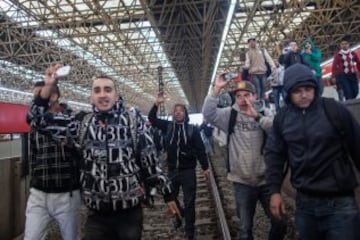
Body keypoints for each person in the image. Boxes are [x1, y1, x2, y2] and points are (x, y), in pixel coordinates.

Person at [30, 65, 180, 240]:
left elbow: (150, 162)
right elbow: (37, 121)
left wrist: (168, 194)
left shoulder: (133, 122)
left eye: (108, 90)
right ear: (91, 97)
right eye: (97, 90)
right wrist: (48, 87)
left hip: (129, 214)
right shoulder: (81, 124)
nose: (103, 94)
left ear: (116, 96)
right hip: (97, 215)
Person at [265, 63, 360, 240]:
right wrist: (275, 191)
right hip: (305, 205)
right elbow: (274, 155)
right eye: (297, 90)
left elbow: (357, 145)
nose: (304, 95)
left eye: (308, 88)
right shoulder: (283, 118)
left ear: (315, 88)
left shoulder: (333, 110)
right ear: (288, 93)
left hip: (340, 204)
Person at [202, 77, 287, 240]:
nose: (243, 99)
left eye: (247, 95)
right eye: (239, 96)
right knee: (245, 229)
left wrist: (256, 116)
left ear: (255, 96)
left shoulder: (265, 112)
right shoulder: (230, 115)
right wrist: (216, 91)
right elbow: (208, 114)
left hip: (266, 181)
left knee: (280, 222)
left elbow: (278, 132)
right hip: (242, 181)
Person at [25, 70, 81, 240]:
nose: (36, 102)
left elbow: (78, 146)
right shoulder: (36, 122)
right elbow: (34, 153)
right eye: (35, 98)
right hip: (38, 193)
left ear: (54, 96)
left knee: (71, 237)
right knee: (32, 237)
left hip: (67, 194)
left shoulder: (72, 119)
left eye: (40, 97)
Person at [148, 92, 210, 240]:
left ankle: (189, 230)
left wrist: (205, 167)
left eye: (181, 110)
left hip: (188, 171)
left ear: (185, 113)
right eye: (175, 111)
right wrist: (157, 103)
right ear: (173, 114)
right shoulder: (167, 126)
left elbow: (200, 149)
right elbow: (152, 119)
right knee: (170, 198)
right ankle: (179, 215)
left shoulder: (192, 130)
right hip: (172, 170)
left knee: (190, 202)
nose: (178, 113)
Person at [331, 35, 360, 100]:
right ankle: (349, 106)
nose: (344, 45)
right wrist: (333, 77)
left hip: (352, 75)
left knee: (356, 91)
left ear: (348, 44)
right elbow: (334, 66)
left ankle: (351, 101)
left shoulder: (352, 53)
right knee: (348, 92)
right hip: (343, 76)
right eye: (342, 44)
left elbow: (358, 62)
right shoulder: (338, 55)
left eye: (346, 44)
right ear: (340, 45)